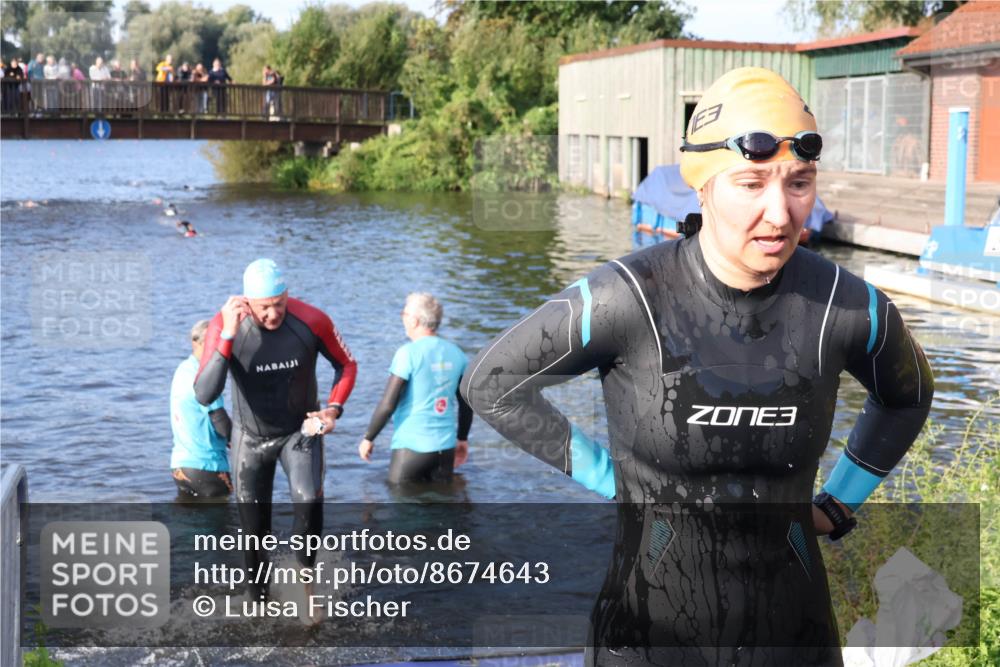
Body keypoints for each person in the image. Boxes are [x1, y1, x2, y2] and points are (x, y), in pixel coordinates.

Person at [461, 67, 933, 666]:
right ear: (702, 186)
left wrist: (841, 503)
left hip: (794, 636)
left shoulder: (847, 305)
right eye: (751, 182)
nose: (781, 213)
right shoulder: (627, 296)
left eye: (799, 183)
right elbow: (493, 383)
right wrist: (611, 479)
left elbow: (908, 396)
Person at [194, 259, 357, 612]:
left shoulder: (311, 320)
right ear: (247, 302)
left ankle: (306, 586)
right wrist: (227, 336)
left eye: (278, 304)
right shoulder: (225, 325)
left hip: (299, 433)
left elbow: (347, 364)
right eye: (264, 307)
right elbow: (205, 393)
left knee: (308, 500)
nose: (272, 315)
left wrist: (333, 409)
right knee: (254, 534)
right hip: (250, 441)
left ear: (287, 295)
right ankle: (258, 607)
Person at [359, 293, 473, 485]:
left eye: (403, 313)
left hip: (410, 450)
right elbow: (467, 404)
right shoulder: (457, 353)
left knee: (402, 510)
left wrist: (368, 438)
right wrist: (462, 438)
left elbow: (388, 404)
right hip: (444, 449)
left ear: (414, 320)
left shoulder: (407, 354)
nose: (402, 318)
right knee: (441, 510)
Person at [171, 320, 232, 498]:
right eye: (213, 342)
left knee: (189, 522)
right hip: (207, 468)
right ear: (195, 342)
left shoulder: (183, 369)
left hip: (180, 467)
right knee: (223, 524)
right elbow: (221, 423)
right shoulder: (206, 376)